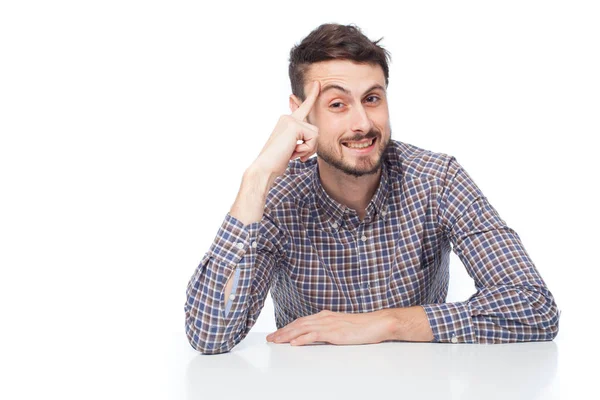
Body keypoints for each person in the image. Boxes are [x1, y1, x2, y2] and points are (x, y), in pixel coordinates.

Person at [184, 23, 560, 355]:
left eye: (372, 99)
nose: (362, 123)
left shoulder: (437, 180)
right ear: (300, 113)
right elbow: (209, 335)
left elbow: (533, 306)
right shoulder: (278, 197)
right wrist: (258, 177)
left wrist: (387, 323)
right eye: (337, 104)